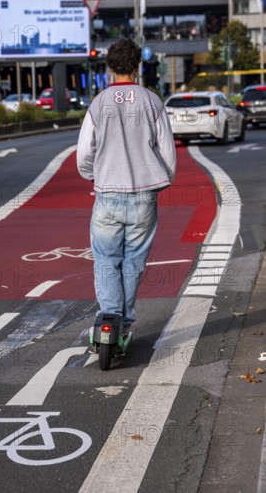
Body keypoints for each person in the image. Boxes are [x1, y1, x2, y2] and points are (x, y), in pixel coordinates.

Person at [76, 38, 176, 334]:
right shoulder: (151, 101)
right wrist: (161, 180)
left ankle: (109, 317)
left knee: (106, 259)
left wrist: (94, 176)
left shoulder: (98, 103)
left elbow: (84, 154)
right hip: (144, 194)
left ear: (109, 67)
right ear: (138, 66)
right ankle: (126, 322)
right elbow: (167, 152)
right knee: (134, 261)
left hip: (107, 194)